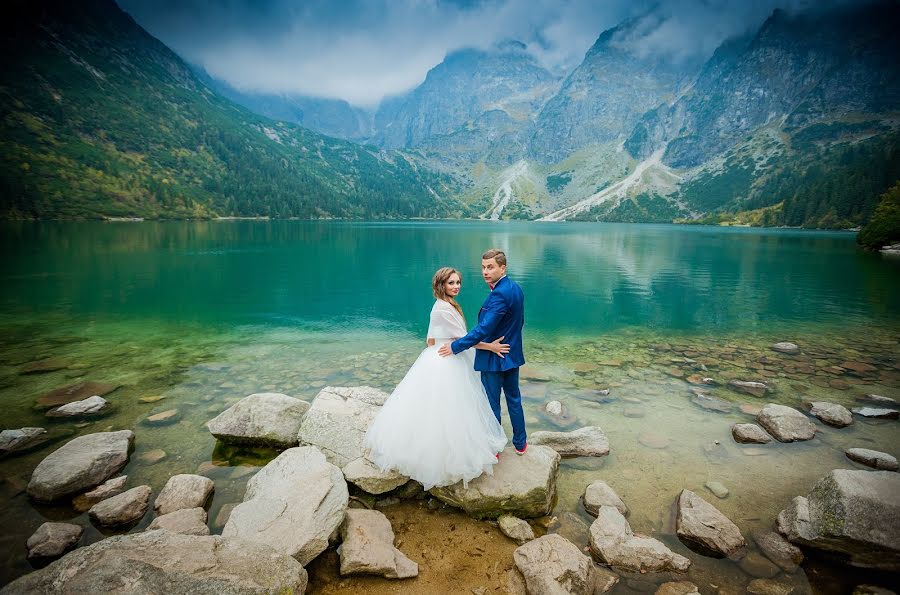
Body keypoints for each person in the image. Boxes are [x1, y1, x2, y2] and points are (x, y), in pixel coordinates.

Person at [364, 267, 509, 490]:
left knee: (440, 407)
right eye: (451, 283)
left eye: (458, 282)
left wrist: (439, 347)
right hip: (447, 359)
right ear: (441, 285)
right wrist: (489, 346)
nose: (456, 286)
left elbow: (430, 339)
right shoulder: (444, 308)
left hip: (441, 354)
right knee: (452, 407)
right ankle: (445, 456)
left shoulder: (444, 305)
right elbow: (465, 339)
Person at [438, 249, 527, 455]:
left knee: (490, 403)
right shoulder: (515, 288)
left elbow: (483, 330)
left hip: (493, 358)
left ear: (502, 268)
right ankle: (520, 444)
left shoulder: (499, 295)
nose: (485, 272)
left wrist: (455, 346)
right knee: (514, 399)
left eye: (490, 267)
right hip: (511, 354)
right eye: (483, 267)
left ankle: (495, 448)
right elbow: (519, 321)